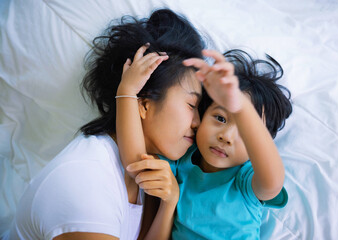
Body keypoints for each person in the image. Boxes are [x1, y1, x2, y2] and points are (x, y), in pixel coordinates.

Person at [6, 9, 204, 240]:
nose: (198, 122)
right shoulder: (86, 182)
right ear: (144, 103)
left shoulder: (151, 170)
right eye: (192, 105)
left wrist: (169, 205)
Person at [119, 49, 292, 239]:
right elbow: (136, 164)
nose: (226, 136)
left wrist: (242, 108)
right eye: (220, 117)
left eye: (244, 130)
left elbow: (273, 182)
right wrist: (127, 93)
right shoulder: (180, 163)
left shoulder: (246, 180)